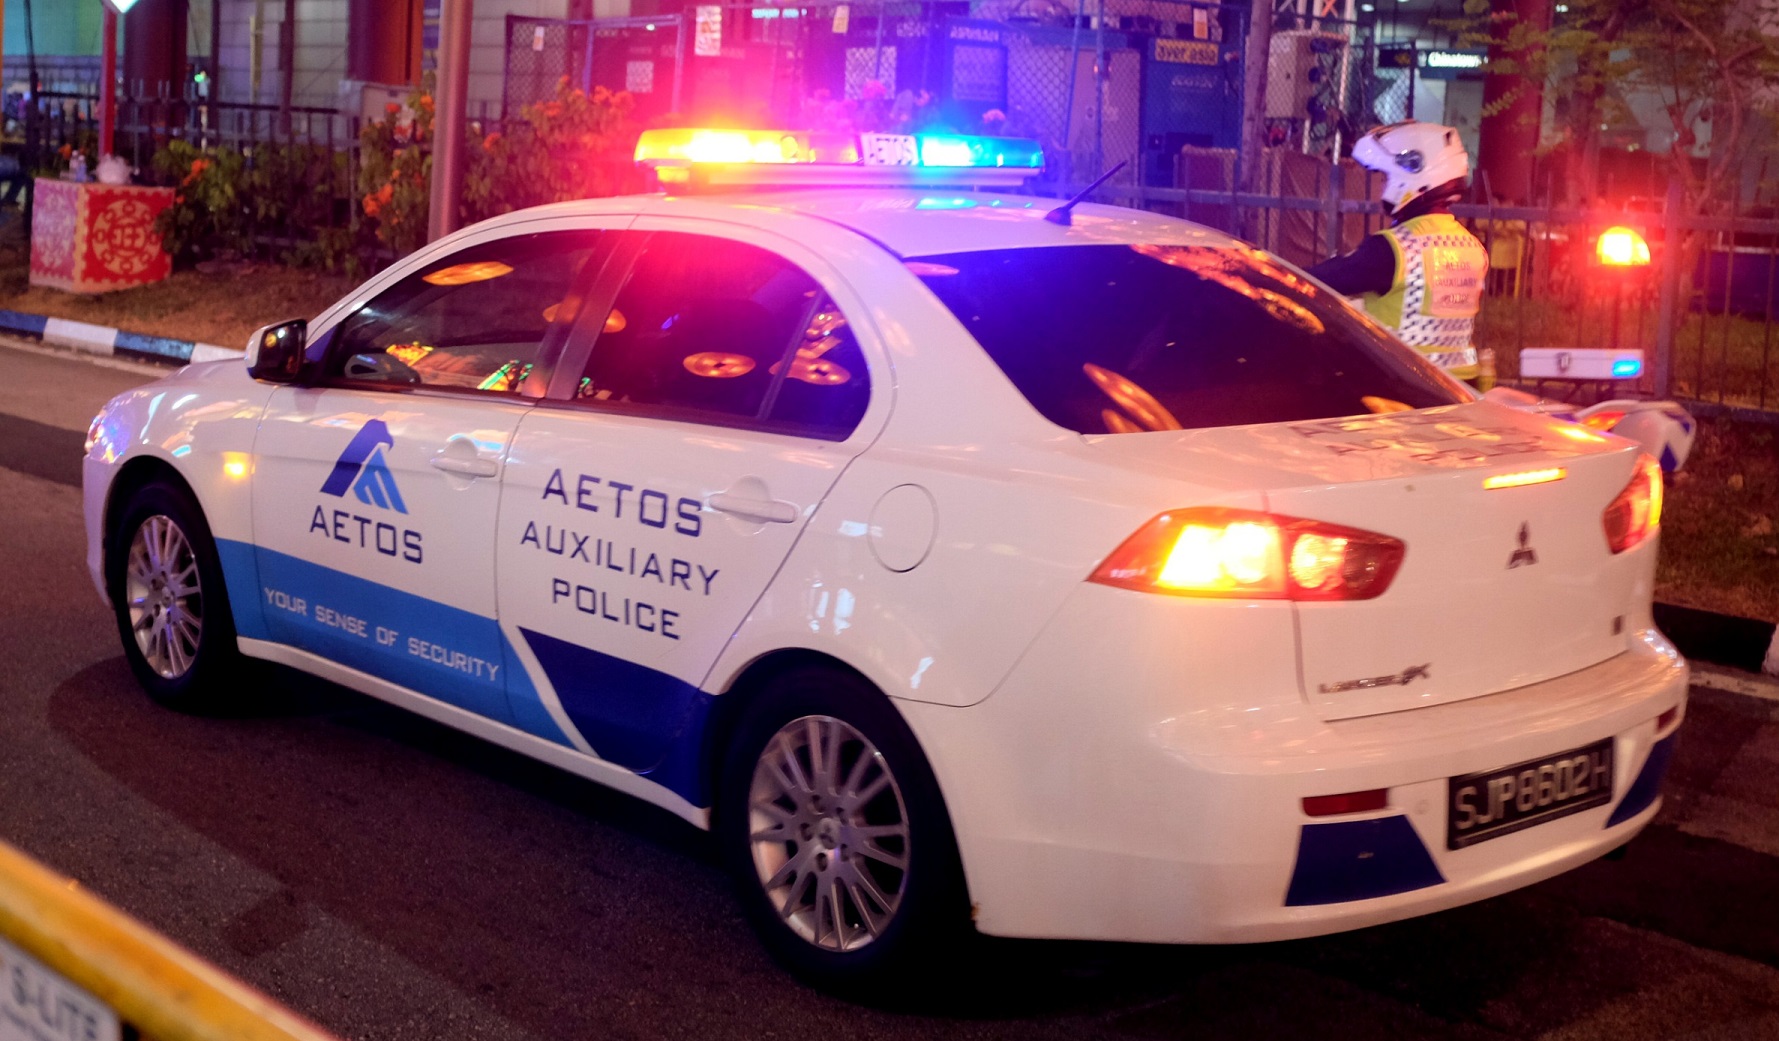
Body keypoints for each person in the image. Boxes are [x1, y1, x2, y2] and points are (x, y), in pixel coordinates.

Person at [1307, 121, 1491, 386]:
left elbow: (1321, 280)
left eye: (1386, 178)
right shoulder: (1473, 247)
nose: (1383, 189)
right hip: (1461, 387)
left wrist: (1273, 274)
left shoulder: (1395, 249)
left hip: (1402, 385)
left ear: (1412, 173)